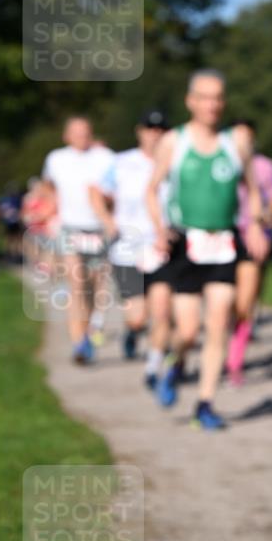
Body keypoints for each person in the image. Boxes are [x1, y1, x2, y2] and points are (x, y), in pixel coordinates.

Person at [146, 69, 267, 430]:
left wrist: (255, 225)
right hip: (186, 243)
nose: (212, 105)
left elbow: (253, 189)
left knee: (219, 322)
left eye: (218, 98)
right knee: (187, 330)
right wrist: (159, 230)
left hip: (224, 243)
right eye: (205, 97)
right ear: (191, 101)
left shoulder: (237, 142)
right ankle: (175, 363)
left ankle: (205, 402)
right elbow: (151, 190)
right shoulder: (174, 141)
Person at [91, 110, 173, 385]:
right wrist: (107, 221)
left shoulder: (174, 162)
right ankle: (132, 332)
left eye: (161, 129)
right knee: (138, 316)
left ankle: (154, 366)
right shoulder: (122, 162)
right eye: (150, 128)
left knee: (162, 310)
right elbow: (95, 191)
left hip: (162, 247)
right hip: (127, 248)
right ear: (140, 131)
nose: (155, 134)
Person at [41, 118, 115, 363]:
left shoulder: (105, 157)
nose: (81, 136)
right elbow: (47, 186)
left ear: (91, 133)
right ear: (66, 136)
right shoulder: (56, 159)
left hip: (97, 230)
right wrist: (52, 209)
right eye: (76, 132)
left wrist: (109, 209)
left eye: (85, 132)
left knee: (93, 286)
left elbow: (115, 190)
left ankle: (90, 328)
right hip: (70, 227)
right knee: (76, 283)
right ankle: (78, 343)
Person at [225, 119, 272, 385]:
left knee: (244, 304)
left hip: (251, 236)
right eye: (237, 138)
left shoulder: (265, 167)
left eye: (247, 138)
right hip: (219, 237)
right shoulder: (216, 163)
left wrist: (266, 219)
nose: (243, 143)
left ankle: (234, 361)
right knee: (221, 302)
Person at [0, 182, 24, 262]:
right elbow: (0, 211)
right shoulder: (4, 200)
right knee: (9, 239)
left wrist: (18, 215)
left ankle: (17, 255)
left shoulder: (17, 200)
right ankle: (9, 254)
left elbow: (21, 210)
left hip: (16, 222)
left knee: (18, 238)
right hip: (8, 223)